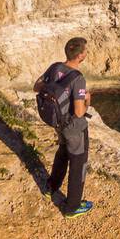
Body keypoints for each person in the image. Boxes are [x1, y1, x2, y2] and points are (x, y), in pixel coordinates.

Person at [34, 36, 93, 218]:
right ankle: (72, 207)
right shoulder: (78, 79)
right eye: (85, 51)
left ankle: (51, 187)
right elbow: (79, 112)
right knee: (78, 163)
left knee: (62, 153)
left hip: (58, 123)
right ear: (81, 56)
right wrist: (87, 99)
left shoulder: (55, 67)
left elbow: (37, 86)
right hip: (74, 128)